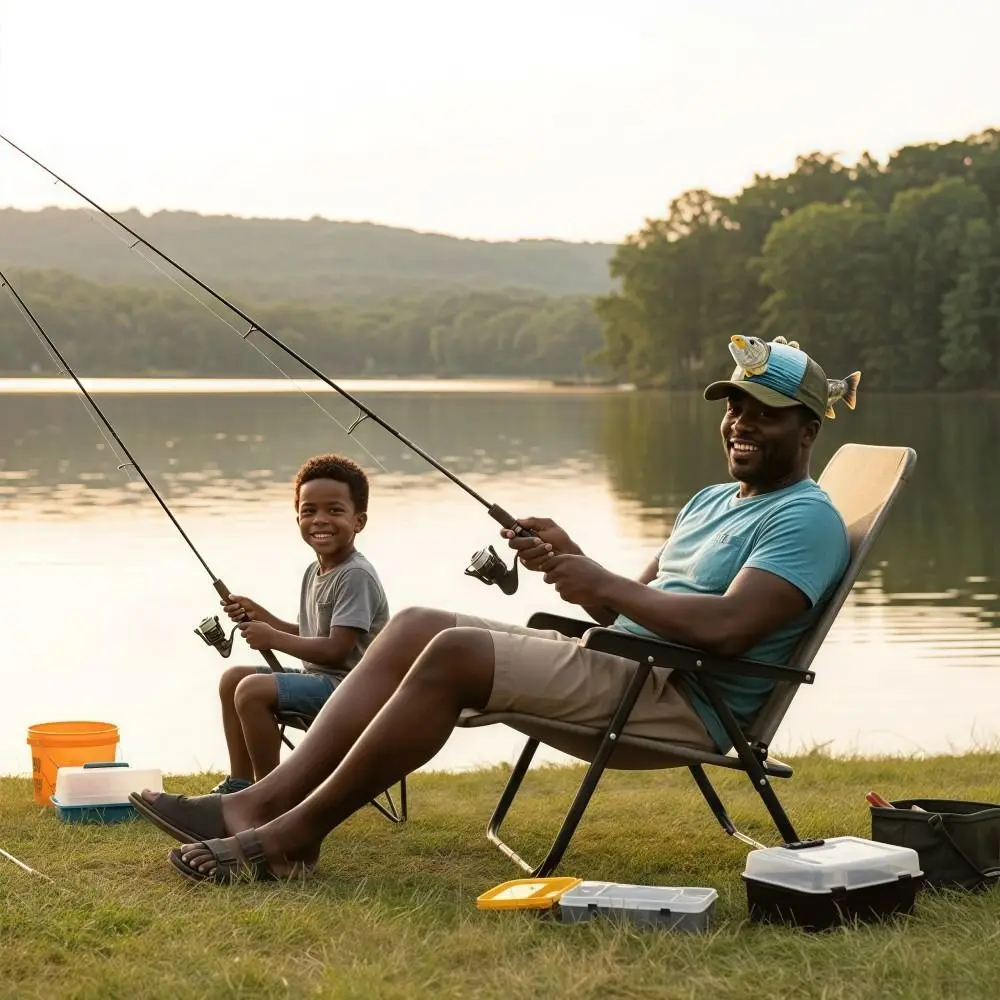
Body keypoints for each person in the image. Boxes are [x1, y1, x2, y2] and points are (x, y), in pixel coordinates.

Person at [131, 338, 852, 883]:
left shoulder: (804, 520)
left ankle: (291, 835)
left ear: (809, 429)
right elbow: (636, 602)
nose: (741, 425)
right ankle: (256, 803)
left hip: (680, 699)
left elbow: (727, 629)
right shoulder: (712, 500)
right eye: (734, 408)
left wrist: (601, 583)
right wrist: (574, 563)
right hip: (632, 664)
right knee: (417, 622)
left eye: (766, 414)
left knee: (456, 654)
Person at [207, 453, 390, 793]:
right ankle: (240, 785)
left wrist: (272, 637)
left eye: (334, 510)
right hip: (324, 681)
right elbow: (311, 635)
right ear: (298, 520)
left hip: (354, 691)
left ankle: (270, 796)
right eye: (310, 511)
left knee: (252, 690)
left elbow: (337, 650)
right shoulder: (316, 570)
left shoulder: (356, 575)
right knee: (233, 679)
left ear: (359, 521)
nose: (320, 520)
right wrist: (262, 616)